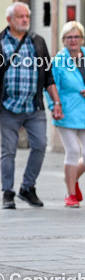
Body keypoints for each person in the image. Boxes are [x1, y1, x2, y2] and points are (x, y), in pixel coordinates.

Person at [0, 1, 62, 208]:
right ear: (9, 19)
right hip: (8, 106)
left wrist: (56, 102)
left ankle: (27, 187)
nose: (25, 20)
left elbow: (48, 75)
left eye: (27, 16)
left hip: (34, 107)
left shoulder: (37, 42)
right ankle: (8, 193)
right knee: (9, 151)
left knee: (41, 145)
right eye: (20, 17)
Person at [46, 21, 85, 207]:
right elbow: (50, 86)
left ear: (82, 39)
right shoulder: (59, 61)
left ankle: (71, 179)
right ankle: (70, 194)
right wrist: (54, 106)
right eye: (69, 37)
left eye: (76, 36)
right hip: (66, 112)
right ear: (63, 40)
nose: (73, 40)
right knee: (73, 151)